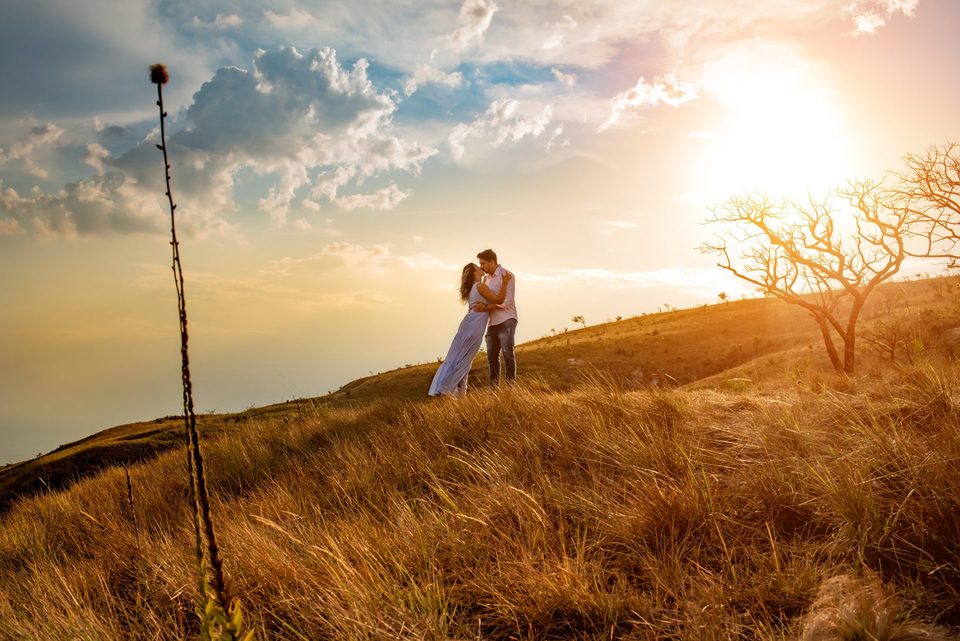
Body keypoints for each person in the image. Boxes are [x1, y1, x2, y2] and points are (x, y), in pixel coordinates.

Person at [428, 263, 513, 397]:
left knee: (460, 358)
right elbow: (499, 299)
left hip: (469, 322)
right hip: (475, 325)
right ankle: (445, 389)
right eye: (478, 267)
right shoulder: (480, 286)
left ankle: (459, 394)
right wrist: (505, 282)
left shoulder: (475, 287)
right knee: (465, 359)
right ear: (475, 273)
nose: (481, 268)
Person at [472, 249, 518, 386]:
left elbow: (507, 301)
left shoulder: (507, 275)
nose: (481, 266)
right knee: (492, 357)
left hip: (507, 319)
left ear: (492, 262)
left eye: (483, 263)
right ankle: (494, 390)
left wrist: (486, 308)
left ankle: (510, 388)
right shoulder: (486, 279)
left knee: (507, 353)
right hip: (492, 323)